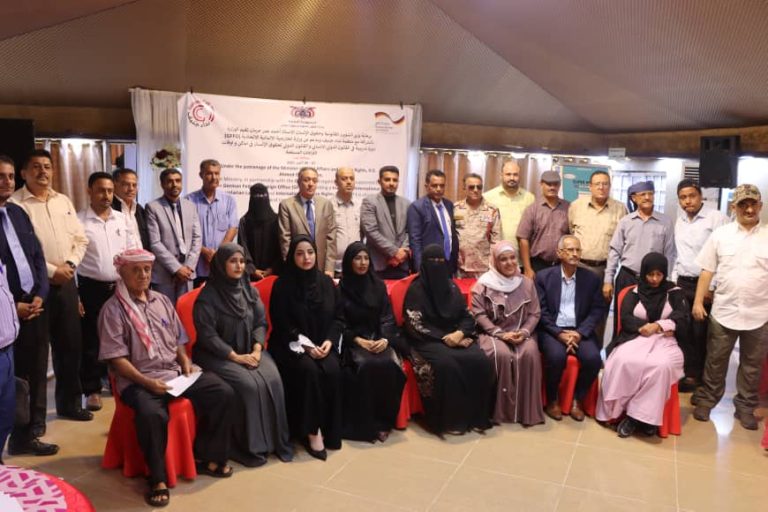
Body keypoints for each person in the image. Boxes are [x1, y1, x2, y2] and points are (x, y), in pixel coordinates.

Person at [98, 248, 235, 507]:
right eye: (136, 270)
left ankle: (208, 457)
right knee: (153, 415)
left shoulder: (161, 301)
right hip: (139, 381)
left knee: (223, 392)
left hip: (173, 374)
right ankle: (157, 479)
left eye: (147, 269)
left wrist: (184, 362)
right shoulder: (112, 310)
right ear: (122, 273)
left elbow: (178, 340)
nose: (143, 275)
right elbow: (117, 360)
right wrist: (148, 383)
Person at [192, 243, 293, 465]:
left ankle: (275, 442)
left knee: (273, 379)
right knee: (249, 385)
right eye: (233, 261)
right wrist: (235, 357)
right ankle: (251, 446)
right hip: (216, 355)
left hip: (250, 349)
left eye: (242, 261)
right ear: (221, 265)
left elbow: (260, 322)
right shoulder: (207, 297)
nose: (239, 266)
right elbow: (208, 336)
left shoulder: (249, 289)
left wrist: (257, 348)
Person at [11, 149, 92, 422]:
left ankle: (70, 405)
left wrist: (69, 264)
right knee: (35, 355)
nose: (42, 171)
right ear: (24, 173)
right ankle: (35, 420)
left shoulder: (63, 200)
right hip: (34, 288)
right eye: (36, 166)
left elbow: (80, 239)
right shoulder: (15, 205)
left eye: (47, 166)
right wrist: (52, 271)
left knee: (70, 347)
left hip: (66, 282)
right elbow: (21, 252)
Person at [692, 184, 768, 430]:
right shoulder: (720, 235)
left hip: (759, 314)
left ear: (760, 206)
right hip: (724, 311)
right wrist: (698, 301)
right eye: (743, 204)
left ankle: (745, 407)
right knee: (715, 361)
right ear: (734, 207)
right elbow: (707, 270)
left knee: (752, 366)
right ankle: (707, 401)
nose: (749, 209)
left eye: (753, 204)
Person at [403, 244, 493, 436]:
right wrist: (445, 338)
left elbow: (466, 316)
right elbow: (414, 323)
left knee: (480, 361)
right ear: (424, 264)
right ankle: (450, 421)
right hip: (427, 340)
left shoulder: (451, 287)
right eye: (432, 261)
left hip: (455, 336)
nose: (437, 265)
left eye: (440, 261)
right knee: (446, 365)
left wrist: (460, 333)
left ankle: (477, 417)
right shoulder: (416, 290)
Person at [0, 156, 56, 456]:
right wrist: (13, 306)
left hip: (34, 307)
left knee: (35, 374)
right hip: (6, 314)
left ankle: (28, 435)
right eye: (1, 176)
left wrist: (41, 294)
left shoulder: (17, 213)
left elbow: (37, 256)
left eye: (10, 176)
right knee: (11, 382)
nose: (7, 182)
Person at [268, 235, 343, 460]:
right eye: (299, 254)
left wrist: (329, 340)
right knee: (308, 371)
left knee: (332, 369)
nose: (306, 258)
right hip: (290, 344)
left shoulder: (326, 283)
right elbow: (281, 323)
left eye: (310, 252)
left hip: (323, 343)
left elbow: (338, 318)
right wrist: (307, 346)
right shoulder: (282, 285)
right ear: (292, 257)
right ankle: (312, 431)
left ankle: (330, 428)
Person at [596, 252, 687, 438]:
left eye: (659, 274)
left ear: (665, 274)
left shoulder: (674, 292)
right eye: (650, 274)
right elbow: (626, 318)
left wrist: (658, 325)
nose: (654, 279)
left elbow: (682, 317)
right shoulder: (633, 293)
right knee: (622, 361)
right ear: (644, 273)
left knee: (661, 366)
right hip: (635, 338)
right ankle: (626, 413)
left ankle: (636, 418)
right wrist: (644, 327)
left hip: (665, 342)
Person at [77, 172, 139, 412]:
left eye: (110, 191)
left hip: (120, 286)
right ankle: (92, 389)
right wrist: (76, 294)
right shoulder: (79, 221)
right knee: (92, 339)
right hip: (90, 287)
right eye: (101, 190)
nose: (106, 195)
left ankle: (118, 380)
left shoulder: (122, 219)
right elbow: (72, 259)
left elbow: (133, 250)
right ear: (89, 191)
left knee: (121, 337)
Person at [338, 242, 406, 442]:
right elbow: (339, 323)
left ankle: (383, 422)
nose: (362, 263)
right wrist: (358, 340)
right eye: (357, 258)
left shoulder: (378, 286)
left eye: (366, 258)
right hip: (354, 342)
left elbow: (387, 318)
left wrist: (384, 339)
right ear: (349, 262)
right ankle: (365, 425)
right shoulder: (341, 288)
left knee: (389, 365)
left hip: (378, 338)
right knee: (366, 366)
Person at [471, 241, 544, 426]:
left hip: (521, 333)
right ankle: (498, 412)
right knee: (501, 354)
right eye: (503, 259)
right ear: (495, 262)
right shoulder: (483, 285)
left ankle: (526, 413)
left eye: (512, 258)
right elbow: (479, 314)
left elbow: (535, 313)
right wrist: (499, 334)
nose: (510, 263)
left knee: (529, 353)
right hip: (492, 334)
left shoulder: (526, 283)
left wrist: (524, 332)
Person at [535, 235, 606, 421]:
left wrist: (580, 333)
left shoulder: (591, 279)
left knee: (593, 359)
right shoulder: (543, 277)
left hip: (579, 330)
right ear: (559, 253)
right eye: (570, 250)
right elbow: (541, 311)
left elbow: (597, 309)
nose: (575, 254)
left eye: (578, 250)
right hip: (552, 330)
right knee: (556, 357)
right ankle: (552, 400)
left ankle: (577, 400)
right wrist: (559, 334)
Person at [672, 179, 728, 392]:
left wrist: (711, 287)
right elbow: (678, 254)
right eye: (683, 198)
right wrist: (674, 281)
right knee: (683, 330)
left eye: (691, 196)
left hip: (703, 284)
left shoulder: (716, 218)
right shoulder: (680, 221)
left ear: (700, 196)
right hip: (682, 282)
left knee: (701, 332)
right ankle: (688, 373)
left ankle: (700, 378)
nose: (688, 201)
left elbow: (722, 255)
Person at [604, 181, 675, 337]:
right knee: (622, 321)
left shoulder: (665, 222)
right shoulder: (626, 221)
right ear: (634, 198)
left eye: (650, 193)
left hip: (653, 282)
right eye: (643, 194)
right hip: (627, 277)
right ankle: (619, 348)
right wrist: (608, 280)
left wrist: (665, 280)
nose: (647, 197)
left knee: (649, 323)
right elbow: (614, 251)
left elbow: (670, 254)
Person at [567, 170, 627, 344]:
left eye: (605, 184)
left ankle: (595, 350)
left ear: (610, 186)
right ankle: (574, 348)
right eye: (597, 184)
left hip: (604, 270)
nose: (601, 187)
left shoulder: (620, 209)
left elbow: (623, 241)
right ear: (590, 186)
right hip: (578, 267)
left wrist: (610, 277)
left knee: (600, 312)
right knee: (575, 309)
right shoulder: (576, 206)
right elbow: (570, 232)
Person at [145, 168, 202, 304]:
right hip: (164, 274)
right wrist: (177, 268)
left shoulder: (190, 206)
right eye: (170, 181)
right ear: (162, 184)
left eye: (178, 181)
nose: (174, 184)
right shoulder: (153, 207)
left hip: (187, 273)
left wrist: (188, 267)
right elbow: (155, 243)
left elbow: (197, 238)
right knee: (164, 312)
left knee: (184, 311)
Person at [186, 159, 238, 286]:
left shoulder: (229, 200)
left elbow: (233, 228)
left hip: (221, 263)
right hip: (198, 265)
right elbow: (186, 232)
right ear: (201, 175)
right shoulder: (189, 201)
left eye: (217, 173)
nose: (214, 177)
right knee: (199, 297)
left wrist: (218, 253)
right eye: (209, 173)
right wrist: (204, 251)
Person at [278, 167, 337, 277]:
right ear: (299, 182)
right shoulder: (287, 205)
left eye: (314, 181)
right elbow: (285, 240)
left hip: (321, 266)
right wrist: (291, 266)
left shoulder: (325, 204)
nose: (311, 184)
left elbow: (331, 238)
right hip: (297, 266)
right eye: (306, 180)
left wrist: (329, 267)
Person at [360, 166, 411, 279]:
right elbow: (370, 232)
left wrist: (403, 252)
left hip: (401, 264)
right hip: (378, 264)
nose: (391, 183)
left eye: (395, 180)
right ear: (379, 181)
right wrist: (395, 252)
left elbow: (410, 231)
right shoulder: (370, 201)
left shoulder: (406, 203)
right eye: (387, 180)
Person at [517, 170, 570, 279]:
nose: (552, 187)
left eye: (555, 184)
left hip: (561, 265)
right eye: (548, 184)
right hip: (538, 265)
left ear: (559, 185)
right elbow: (523, 239)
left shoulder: (568, 208)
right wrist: (527, 268)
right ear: (541, 184)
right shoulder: (532, 209)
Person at [407, 170, 460, 273]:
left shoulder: (449, 205)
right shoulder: (417, 207)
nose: (438, 189)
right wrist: (419, 268)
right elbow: (415, 240)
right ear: (427, 186)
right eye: (434, 186)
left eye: (442, 186)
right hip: (429, 264)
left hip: (449, 262)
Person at [454, 173, 500, 278]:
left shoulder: (492, 210)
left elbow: (496, 241)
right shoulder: (455, 209)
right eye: (471, 187)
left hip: (483, 268)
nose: (475, 190)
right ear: (464, 188)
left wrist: (493, 265)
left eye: (479, 187)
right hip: (459, 267)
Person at [484, 160, 535, 254]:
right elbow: (483, 227)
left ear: (520, 176)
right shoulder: (488, 197)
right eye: (508, 174)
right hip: (495, 255)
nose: (512, 178)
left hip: (521, 255)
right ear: (501, 176)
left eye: (515, 174)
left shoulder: (530, 198)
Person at [238, 183, 282, 280]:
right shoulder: (245, 221)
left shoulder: (277, 220)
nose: (260, 199)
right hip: (250, 276)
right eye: (257, 196)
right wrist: (252, 269)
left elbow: (282, 247)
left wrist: (273, 268)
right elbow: (242, 247)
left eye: (263, 195)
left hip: (274, 275)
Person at [331, 167, 361, 277]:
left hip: (357, 267)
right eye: (344, 179)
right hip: (335, 268)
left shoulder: (360, 205)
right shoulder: (328, 205)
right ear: (336, 182)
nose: (349, 182)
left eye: (351, 178)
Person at [112, 167, 150, 249]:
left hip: (143, 255)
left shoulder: (140, 209)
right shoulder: (109, 209)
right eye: (126, 184)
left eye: (134, 185)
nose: (131, 189)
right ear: (114, 185)